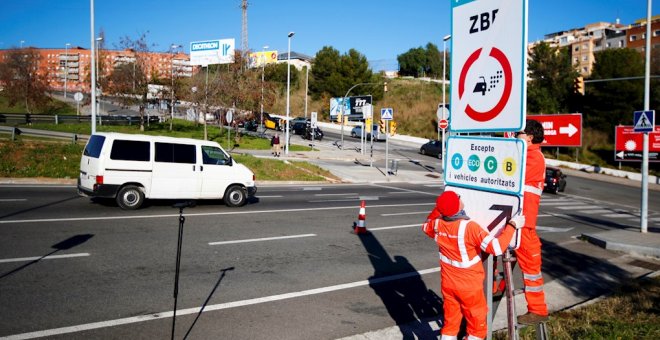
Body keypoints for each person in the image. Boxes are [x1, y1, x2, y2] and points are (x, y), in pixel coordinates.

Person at [422, 191, 525, 340]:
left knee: (450, 324)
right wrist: (512, 225)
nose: (460, 197)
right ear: (457, 206)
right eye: (458, 197)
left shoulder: (437, 224)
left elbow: (426, 225)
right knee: (477, 328)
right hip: (469, 288)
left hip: (448, 285)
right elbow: (496, 248)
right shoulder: (469, 228)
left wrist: (440, 207)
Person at [514, 119, 549, 325]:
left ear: (529, 137)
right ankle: (495, 289)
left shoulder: (534, 157)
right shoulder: (527, 154)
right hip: (517, 219)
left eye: (519, 134)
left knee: (531, 267)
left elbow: (512, 175)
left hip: (524, 222)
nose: (516, 136)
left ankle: (537, 310)